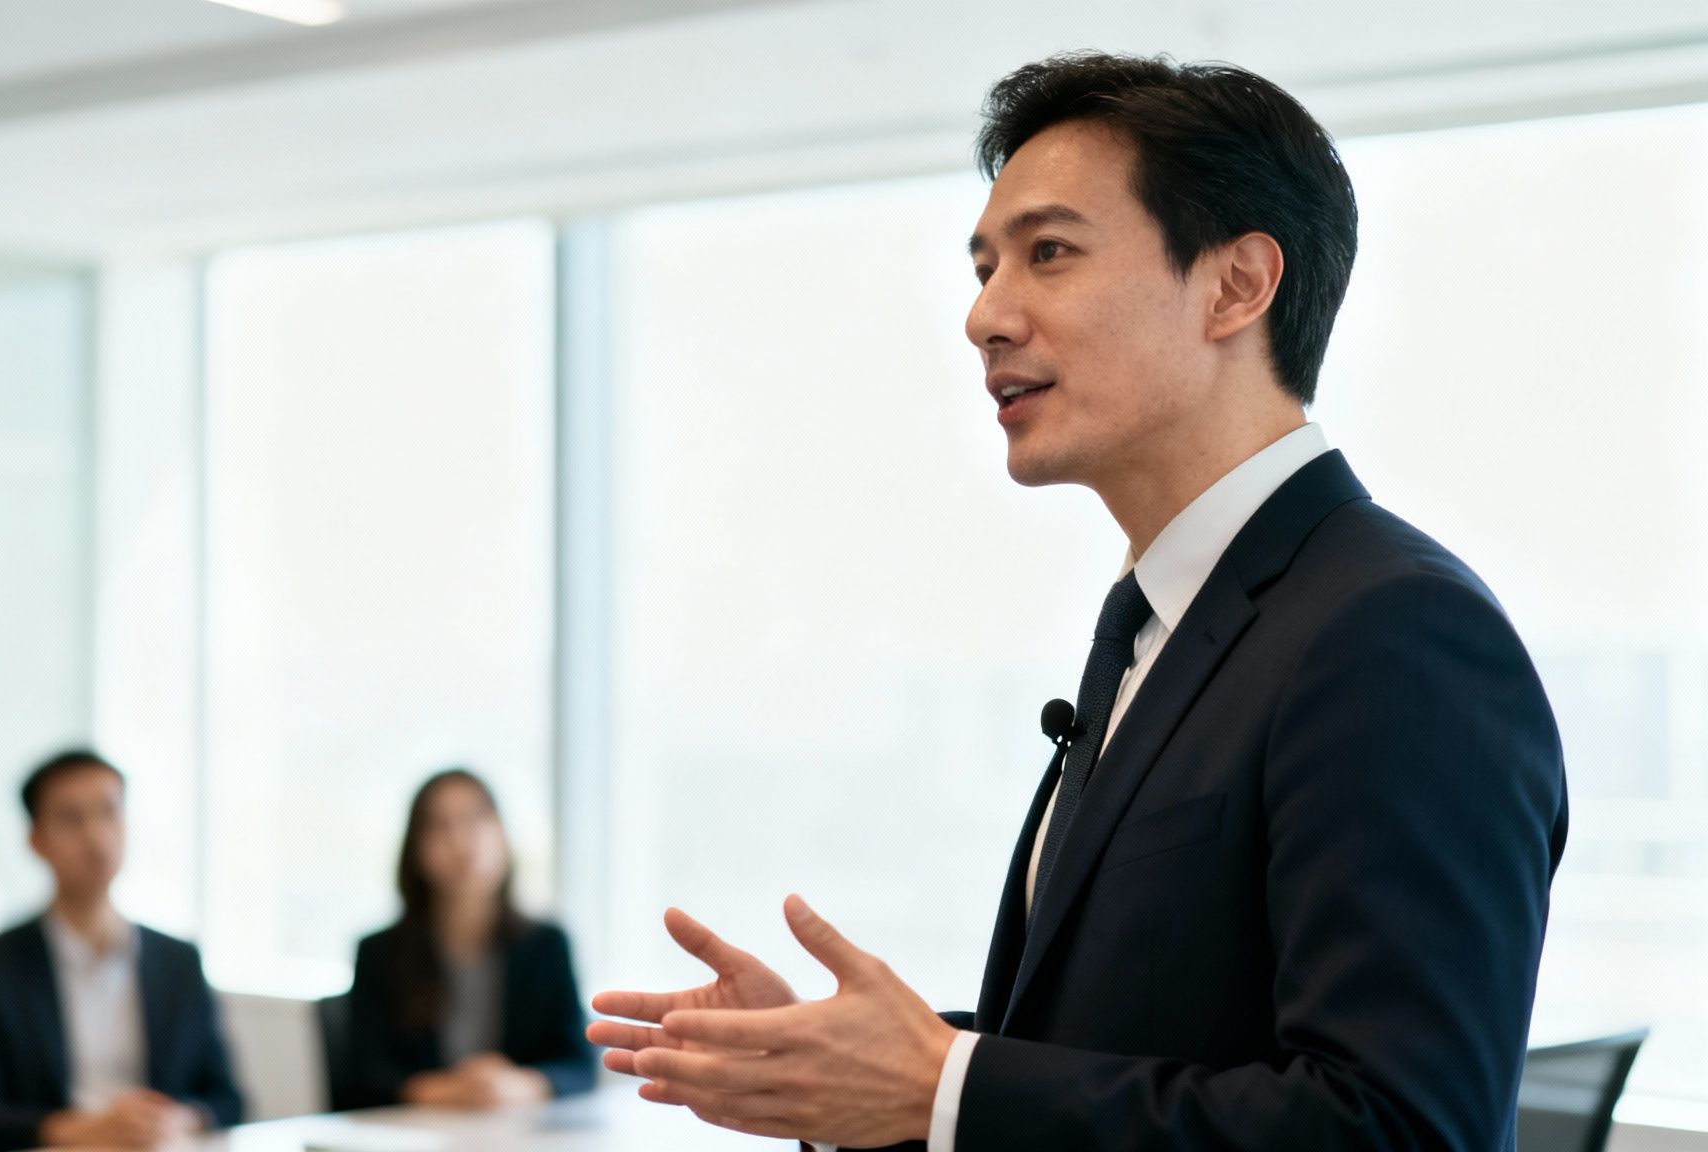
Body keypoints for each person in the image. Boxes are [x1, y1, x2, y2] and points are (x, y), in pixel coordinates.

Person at [589, 51, 1568, 1152]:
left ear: (1236, 285)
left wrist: (942, 1089)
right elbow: (1117, 1045)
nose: (985, 316)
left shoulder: (1394, 633)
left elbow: (1401, 1129)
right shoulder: (1161, 624)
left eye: (1047, 252)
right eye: (982, 268)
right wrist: (844, 1075)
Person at [0, 750, 242, 1151]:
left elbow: (227, 1098)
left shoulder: (178, 961)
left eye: (109, 812)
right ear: (36, 841)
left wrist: (178, 1118)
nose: (96, 836)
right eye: (71, 819)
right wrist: (79, 1129)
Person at [339, 768, 596, 1110]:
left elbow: (580, 1065)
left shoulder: (547, 944)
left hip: (516, 1126)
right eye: (441, 826)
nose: (461, 842)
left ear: (502, 835)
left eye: (476, 820)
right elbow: (363, 1076)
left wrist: (518, 1084)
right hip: (418, 1129)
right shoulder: (380, 952)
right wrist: (450, 1090)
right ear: (415, 848)